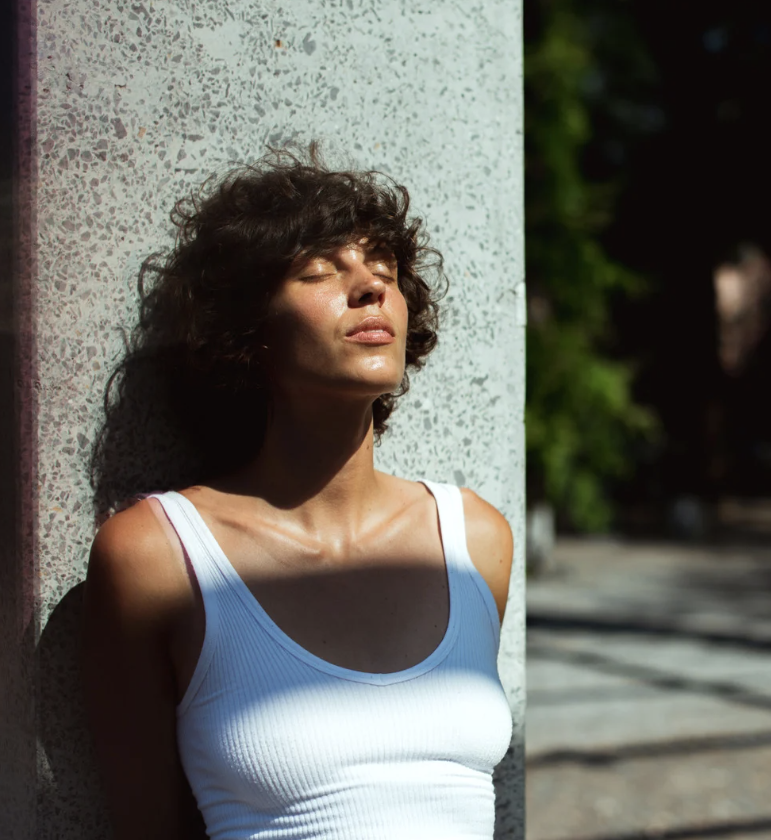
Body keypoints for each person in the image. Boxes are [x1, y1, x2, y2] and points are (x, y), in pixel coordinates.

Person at [81, 147, 514, 840]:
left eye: (387, 273)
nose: (372, 290)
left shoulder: (475, 540)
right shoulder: (156, 556)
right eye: (320, 271)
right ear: (247, 332)